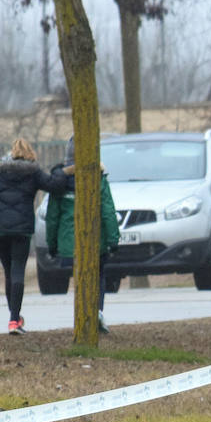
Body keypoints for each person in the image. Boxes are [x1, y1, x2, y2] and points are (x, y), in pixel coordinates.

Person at [0, 137, 72, 334]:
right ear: (30, 153)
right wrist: (60, 170)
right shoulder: (33, 172)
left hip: (2, 230)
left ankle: (14, 318)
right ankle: (14, 319)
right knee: (18, 272)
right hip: (22, 230)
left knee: (9, 273)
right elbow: (55, 185)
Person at [44, 141, 119, 333]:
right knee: (99, 275)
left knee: (79, 277)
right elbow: (108, 210)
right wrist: (113, 240)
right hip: (96, 241)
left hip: (69, 244)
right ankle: (97, 313)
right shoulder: (98, 178)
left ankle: (84, 315)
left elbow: (52, 217)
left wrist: (51, 244)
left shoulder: (59, 183)